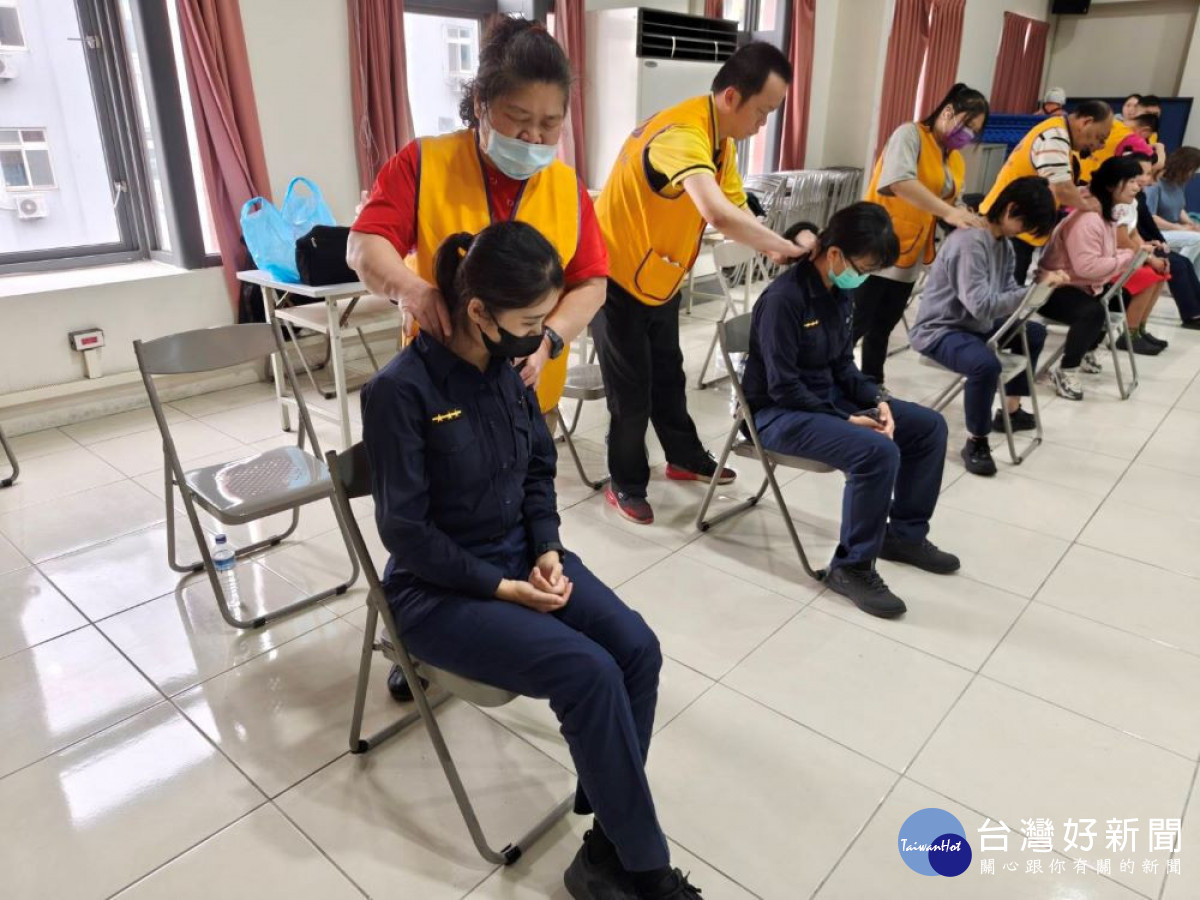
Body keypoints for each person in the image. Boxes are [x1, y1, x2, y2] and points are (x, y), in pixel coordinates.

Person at [361, 222, 703, 900]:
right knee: (589, 672)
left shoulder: (512, 372)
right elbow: (405, 531)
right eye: (529, 323)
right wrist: (500, 586)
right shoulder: (400, 391)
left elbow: (538, 472)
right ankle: (643, 868)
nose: (541, 337)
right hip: (438, 590)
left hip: (521, 554)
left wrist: (545, 546)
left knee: (637, 648)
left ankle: (608, 840)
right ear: (479, 312)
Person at [592, 41, 814, 526]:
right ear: (732, 97)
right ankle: (626, 482)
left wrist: (779, 237)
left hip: (659, 277)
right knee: (631, 391)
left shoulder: (719, 141)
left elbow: (735, 205)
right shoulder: (681, 134)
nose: (763, 124)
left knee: (669, 376)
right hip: (613, 279)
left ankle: (684, 456)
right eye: (762, 111)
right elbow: (716, 214)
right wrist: (779, 247)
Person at [348, 17, 606, 422]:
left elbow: (592, 284)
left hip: (528, 394)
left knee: (530, 463)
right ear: (482, 102)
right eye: (518, 117)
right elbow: (364, 245)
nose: (533, 137)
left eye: (549, 123)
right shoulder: (424, 163)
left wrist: (548, 340)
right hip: (439, 394)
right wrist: (412, 291)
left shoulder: (566, 188)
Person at [742, 203, 960, 619]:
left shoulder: (839, 292)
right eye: (863, 267)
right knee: (876, 451)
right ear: (835, 254)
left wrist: (877, 399)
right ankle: (852, 568)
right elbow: (782, 386)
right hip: (775, 414)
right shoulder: (784, 299)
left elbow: (843, 365)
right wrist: (844, 418)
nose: (863, 277)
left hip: (825, 401)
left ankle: (904, 536)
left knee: (929, 427)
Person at [910, 178, 1066, 476]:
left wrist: (1038, 290)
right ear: (1010, 209)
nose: (1024, 232)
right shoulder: (970, 243)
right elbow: (981, 305)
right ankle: (976, 441)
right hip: (940, 329)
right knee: (984, 365)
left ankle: (1011, 410)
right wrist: (1032, 292)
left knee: (1034, 333)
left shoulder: (1003, 245)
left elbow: (1008, 293)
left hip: (974, 325)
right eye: (1025, 224)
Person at [855, 83, 989, 386]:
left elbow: (952, 200)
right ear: (948, 111)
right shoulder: (910, 135)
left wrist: (967, 216)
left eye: (975, 131)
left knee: (883, 327)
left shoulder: (954, 159)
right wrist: (949, 211)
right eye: (967, 124)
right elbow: (899, 181)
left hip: (911, 255)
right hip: (877, 245)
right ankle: (827, 383)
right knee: (854, 325)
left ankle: (872, 383)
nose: (968, 135)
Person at [1037, 156, 1151, 399]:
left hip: (1079, 284)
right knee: (1093, 312)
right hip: (1053, 288)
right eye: (1131, 181)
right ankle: (1066, 370)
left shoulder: (1105, 213)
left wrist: (1130, 254)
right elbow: (1088, 267)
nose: (1137, 186)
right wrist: (1128, 256)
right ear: (1111, 186)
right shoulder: (1089, 219)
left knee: (1121, 297)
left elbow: (1102, 259)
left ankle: (1087, 350)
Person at [981, 100, 1114, 286]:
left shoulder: (1062, 137)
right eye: (1100, 138)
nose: (1099, 145)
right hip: (1008, 227)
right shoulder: (1054, 137)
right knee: (1001, 290)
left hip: (1018, 227)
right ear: (1086, 122)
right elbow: (1061, 188)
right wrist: (1089, 206)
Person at [1110, 154, 1171, 355]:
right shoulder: (1118, 205)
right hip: (1111, 259)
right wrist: (1148, 259)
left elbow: (1134, 233)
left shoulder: (1132, 202)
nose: (1138, 185)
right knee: (1148, 278)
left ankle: (1140, 328)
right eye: (1133, 180)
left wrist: (1147, 249)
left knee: (1161, 274)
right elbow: (1121, 240)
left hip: (1126, 255)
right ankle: (1130, 334)